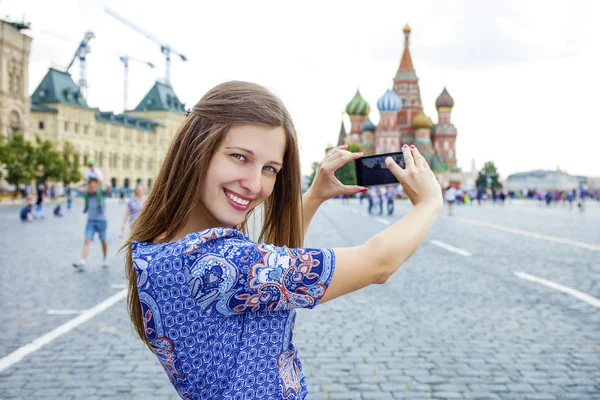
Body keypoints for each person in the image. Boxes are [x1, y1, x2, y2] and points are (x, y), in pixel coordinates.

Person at [122, 81, 442, 400]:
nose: (253, 183)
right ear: (196, 148)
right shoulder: (216, 263)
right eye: (239, 157)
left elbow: (268, 269)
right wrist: (430, 203)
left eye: (270, 168)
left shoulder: (159, 248)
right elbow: (378, 263)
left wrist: (315, 195)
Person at [72, 178, 111, 270]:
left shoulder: (102, 193)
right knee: (87, 240)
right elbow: (75, 187)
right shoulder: (86, 194)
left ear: (98, 186)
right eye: (90, 185)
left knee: (103, 241)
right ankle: (82, 260)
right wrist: (83, 182)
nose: (92, 187)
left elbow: (109, 186)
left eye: (94, 185)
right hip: (91, 221)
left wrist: (101, 181)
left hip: (102, 221)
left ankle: (105, 258)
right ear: (88, 186)